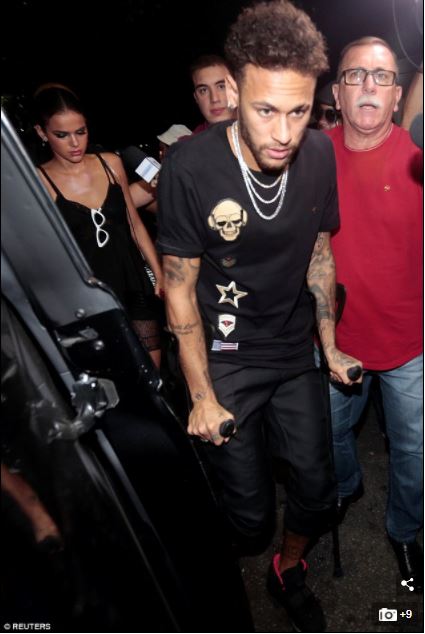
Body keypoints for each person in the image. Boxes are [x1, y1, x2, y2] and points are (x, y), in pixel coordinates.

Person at [157, 1, 362, 631]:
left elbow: (320, 255)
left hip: (291, 348)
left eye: (298, 111)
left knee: (319, 491)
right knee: (247, 519)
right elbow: (178, 288)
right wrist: (200, 396)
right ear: (234, 90)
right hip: (225, 357)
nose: (283, 132)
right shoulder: (190, 167)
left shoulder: (319, 155)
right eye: (265, 110)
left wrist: (329, 345)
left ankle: (287, 569)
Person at [327, 37, 423, 592]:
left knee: (414, 451)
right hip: (334, 342)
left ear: (397, 96)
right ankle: (348, 486)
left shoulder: (419, 158)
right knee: (331, 435)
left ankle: (404, 531)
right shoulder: (308, 157)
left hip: (410, 342)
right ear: (337, 94)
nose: (368, 85)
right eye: (355, 75)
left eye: (382, 76)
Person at [32, 85, 164, 368]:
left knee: (152, 373)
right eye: (62, 135)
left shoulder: (111, 163)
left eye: (81, 131)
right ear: (42, 133)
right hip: (87, 297)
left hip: (134, 283)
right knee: (112, 376)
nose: (74, 143)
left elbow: (134, 223)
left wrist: (158, 272)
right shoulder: (39, 181)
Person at [190, 54, 236, 134]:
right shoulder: (190, 141)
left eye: (221, 87)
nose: (214, 99)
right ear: (196, 98)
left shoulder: (258, 130)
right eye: (203, 90)